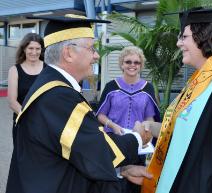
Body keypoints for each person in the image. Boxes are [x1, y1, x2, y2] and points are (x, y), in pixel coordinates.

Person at [122, 7, 212, 193]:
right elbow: (189, 132)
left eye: (184, 37)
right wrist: (148, 127)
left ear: (204, 37)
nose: (178, 43)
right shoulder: (200, 83)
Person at [5, 15, 153, 193]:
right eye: (91, 48)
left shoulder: (50, 85)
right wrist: (138, 138)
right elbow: (99, 151)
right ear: (68, 53)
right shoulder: (58, 96)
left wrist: (121, 170)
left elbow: (75, 152)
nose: (97, 55)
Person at [96, 46, 160, 193]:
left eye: (136, 62)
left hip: (137, 144)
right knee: (111, 182)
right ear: (122, 64)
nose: (132, 65)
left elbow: (149, 117)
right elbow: (100, 114)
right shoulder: (111, 86)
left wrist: (147, 132)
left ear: (141, 65)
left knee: (135, 184)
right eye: (128, 61)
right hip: (113, 142)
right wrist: (112, 125)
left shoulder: (148, 88)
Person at [7, 33, 46, 144]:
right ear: (24, 49)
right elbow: (12, 102)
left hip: (44, 124)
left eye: (37, 48)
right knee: (22, 159)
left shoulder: (48, 69)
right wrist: (31, 119)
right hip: (22, 123)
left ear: (41, 50)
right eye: (30, 48)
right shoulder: (14, 70)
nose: (34, 52)